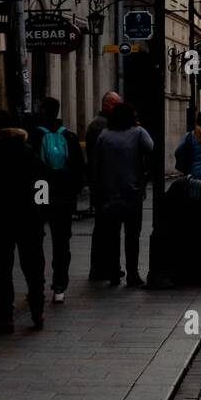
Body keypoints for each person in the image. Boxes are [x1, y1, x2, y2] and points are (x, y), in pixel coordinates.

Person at [0, 111, 47, 333]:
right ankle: (38, 311)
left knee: (2, 270)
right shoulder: (27, 150)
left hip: (0, 217)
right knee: (33, 267)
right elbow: (43, 179)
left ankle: (5, 317)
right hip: (29, 217)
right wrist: (41, 208)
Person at [28, 98, 85, 303]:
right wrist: (73, 192)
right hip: (64, 194)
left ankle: (37, 284)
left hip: (41, 190)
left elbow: (29, 168)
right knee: (61, 241)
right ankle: (59, 285)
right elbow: (80, 169)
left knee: (36, 239)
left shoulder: (34, 136)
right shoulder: (69, 136)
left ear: (42, 110)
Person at [93, 102, 152, 287]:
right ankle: (132, 273)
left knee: (112, 235)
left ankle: (114, 272)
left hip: (109, 193)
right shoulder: (138, 133)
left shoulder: (104, 135)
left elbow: (97, 161)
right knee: (132, 236)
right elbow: (151, 148)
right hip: (132, 192)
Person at [163, 112, 201, 286]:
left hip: (191, 179)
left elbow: (177, 152)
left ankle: (190, 253)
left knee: (191, 218)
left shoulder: (189, 136)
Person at [85, 91, 121, 280]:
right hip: (102, 185)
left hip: (104, 184)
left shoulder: (104, 124)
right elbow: (98, 159)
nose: (116, 108)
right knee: (103, 228)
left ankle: (104, 266)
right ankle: (100, 268)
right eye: (114, 104)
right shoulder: (100, 125)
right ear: (105, 104)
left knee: (106, 228)